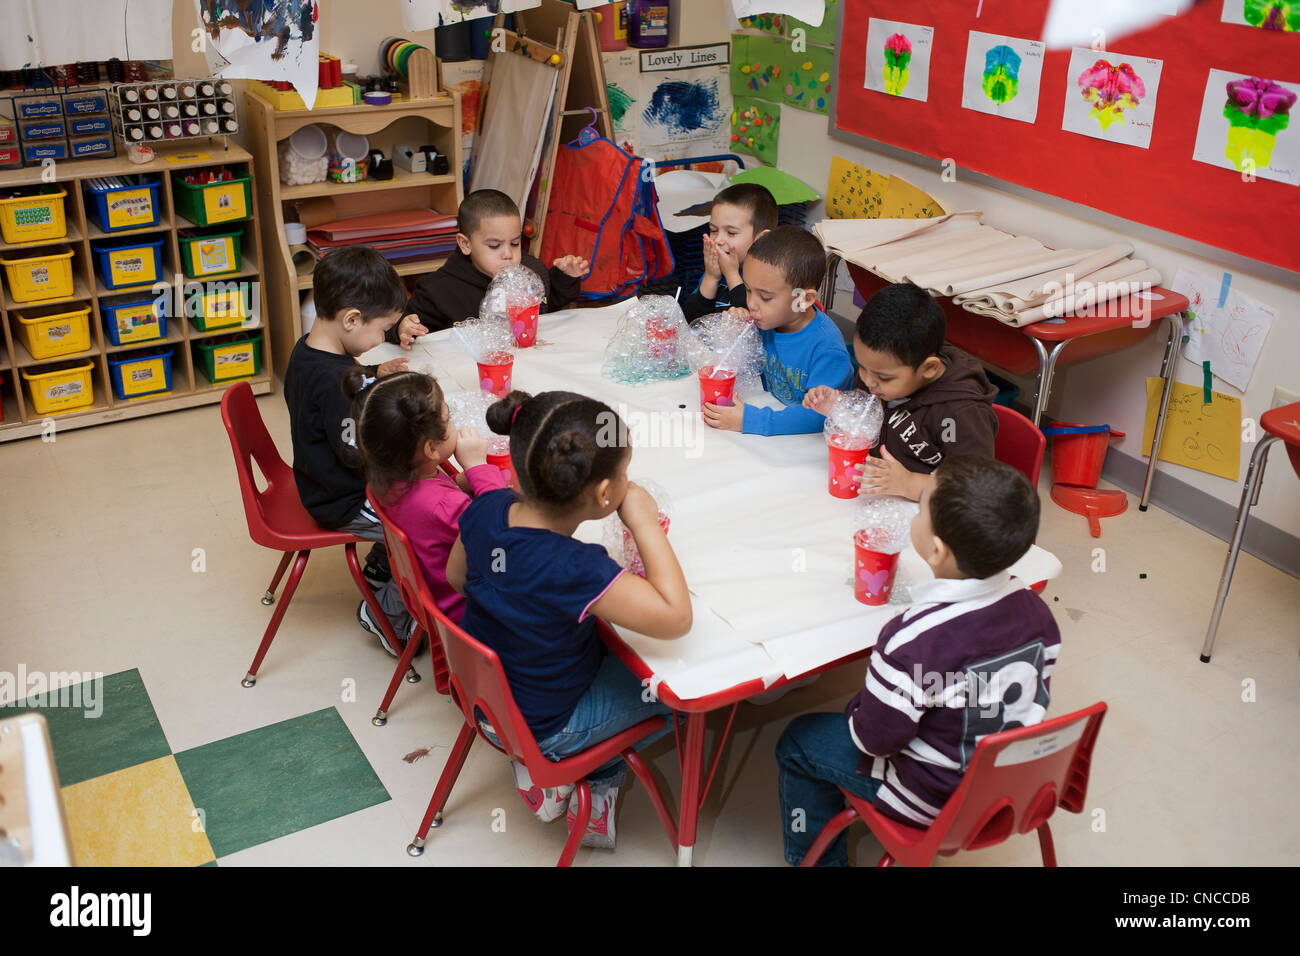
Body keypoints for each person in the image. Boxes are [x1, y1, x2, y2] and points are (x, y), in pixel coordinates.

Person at [775, 456, 1060, 866]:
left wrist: (860, 703)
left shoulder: (912, 638)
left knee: (799, 740)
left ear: (936, 548)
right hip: (1006, 785)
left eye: (922, 505)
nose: (916, 511)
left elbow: (873, 739)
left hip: (932, 799)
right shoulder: (1039, 614)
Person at [446, 390, 692, 848]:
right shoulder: (575, 567)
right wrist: (643, 523)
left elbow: (455, 577)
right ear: (604, 495)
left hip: (486, 702)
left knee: (611, 647)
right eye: (623, 475)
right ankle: (584, 777)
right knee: (684, 690)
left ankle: (558, 769)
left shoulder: (484, 509)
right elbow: (676, 618)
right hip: (547, 725)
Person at [284, 245, 426, 653]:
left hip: (317, 479)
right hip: (342, 498)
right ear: (351, 319)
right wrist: (407, 447)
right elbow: (353, 453)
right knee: (426, 533)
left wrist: (369, 374)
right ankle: (385, 614)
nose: (383, 337)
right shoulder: (334, 381)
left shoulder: (309, 350)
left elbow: (334, 387)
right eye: (382, 329)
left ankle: (382, 567)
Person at [341, 368, 508, 624]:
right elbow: (506, 532)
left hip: (427, 590)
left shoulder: (386, 478)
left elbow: (431, 506)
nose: (453, 421)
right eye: (449, 416)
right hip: (467, 613)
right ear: (431, 448)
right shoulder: (446, 506)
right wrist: (477, 466)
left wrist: (458, 483)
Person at [804, 281, 999, 501]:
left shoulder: (958, 415)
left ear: (929, 368)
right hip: (873, 496)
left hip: (926, 514)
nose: (868, 381)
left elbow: (973, 488)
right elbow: (874, 420)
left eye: (883, 377)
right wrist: (839, 409)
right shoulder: (883, 369)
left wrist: (909, 483)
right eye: (862, 367)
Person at [701, 226, 853, 435]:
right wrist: (734, 335)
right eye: (747, 289)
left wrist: (749, 420)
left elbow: (818, 415)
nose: (751, 303)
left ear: (804, 299)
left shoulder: (827, 349)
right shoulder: (769, 320)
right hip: (775, 411)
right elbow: (751, 368)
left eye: (765, 297)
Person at [401, 189, 589, 334]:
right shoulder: (438, 290)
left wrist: (565, 277)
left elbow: (548, 305)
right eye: (494, 245)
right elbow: (403, 325)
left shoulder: (532, 270)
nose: (508, 254)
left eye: (515, 243)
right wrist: (404, 329)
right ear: (466, 244)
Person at [679, 182, 778, 322]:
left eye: (731, 233)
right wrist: (711, 278)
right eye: (713, 230)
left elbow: (753, 321)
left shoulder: (768, 277)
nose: (718, 240)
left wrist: (732, 274)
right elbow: (691, 319)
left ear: (761, 239)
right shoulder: (714, 271)